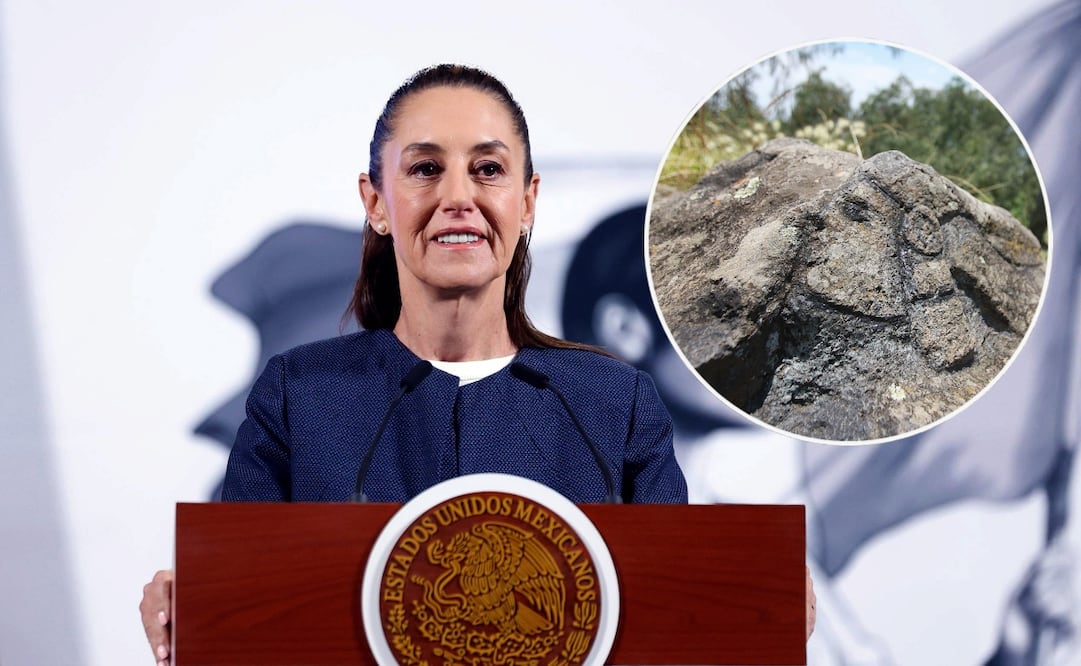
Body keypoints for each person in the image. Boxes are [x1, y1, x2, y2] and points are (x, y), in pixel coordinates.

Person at [139, 64, 812, 664]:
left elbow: (671, 616)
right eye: (425, 168)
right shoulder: (299, 396)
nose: (458, 195)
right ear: (376, 202)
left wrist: (757, 603)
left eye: (488, 169)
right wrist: (193, 611)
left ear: (526, 202)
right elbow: (244, 609)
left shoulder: (614, 402)